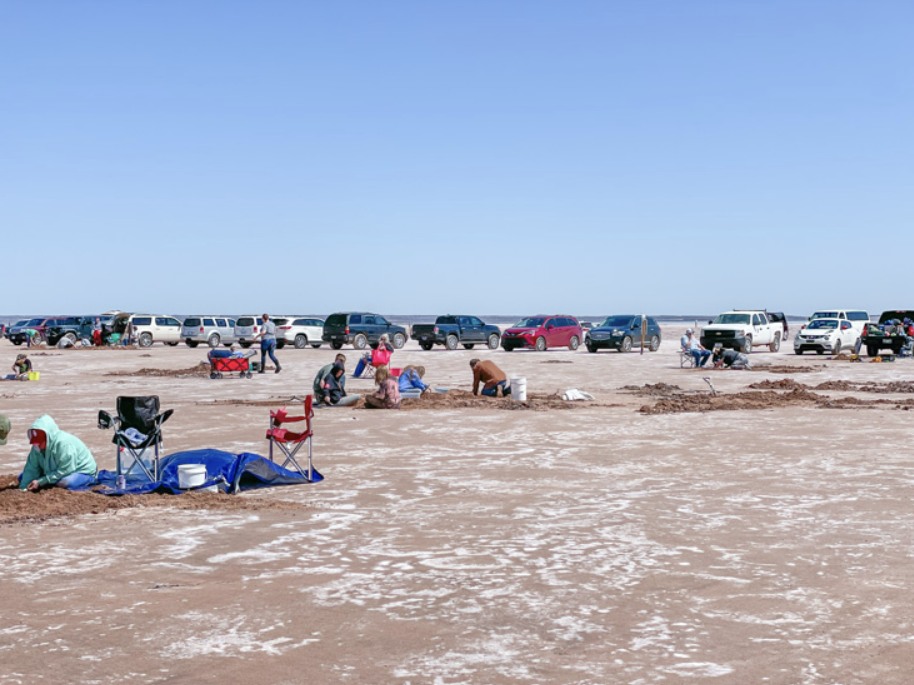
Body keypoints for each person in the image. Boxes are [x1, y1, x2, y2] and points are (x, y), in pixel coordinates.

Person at [18, 415, 98, 491]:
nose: (37, 445)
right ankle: (49, 480)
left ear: (48, 438)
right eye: (36, 443)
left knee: (65, 482)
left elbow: (66, 470)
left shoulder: (64, 444)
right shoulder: (36, 447)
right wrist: (23, 488)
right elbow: (31, 468)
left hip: (81, 471)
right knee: (23, 477)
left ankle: (90, 480)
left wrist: (41, 482)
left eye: (40, 442)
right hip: (53, 470)